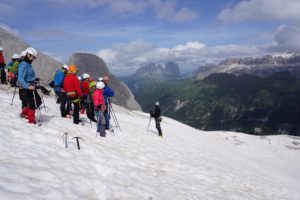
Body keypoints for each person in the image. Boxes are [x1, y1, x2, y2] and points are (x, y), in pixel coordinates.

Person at [18, 47, 42, 124]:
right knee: (33, 103)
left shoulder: (28, 64)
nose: (33, 59)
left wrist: (34, 80)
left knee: (38, 101)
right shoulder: (24, 64)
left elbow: (29, 76)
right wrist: (27, 86)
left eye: (34, 57)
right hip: (27, 87)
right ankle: (31, 120)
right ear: (28, 55)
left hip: (31, 86)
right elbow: (20, 78)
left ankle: (24, 113)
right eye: (32, 57)